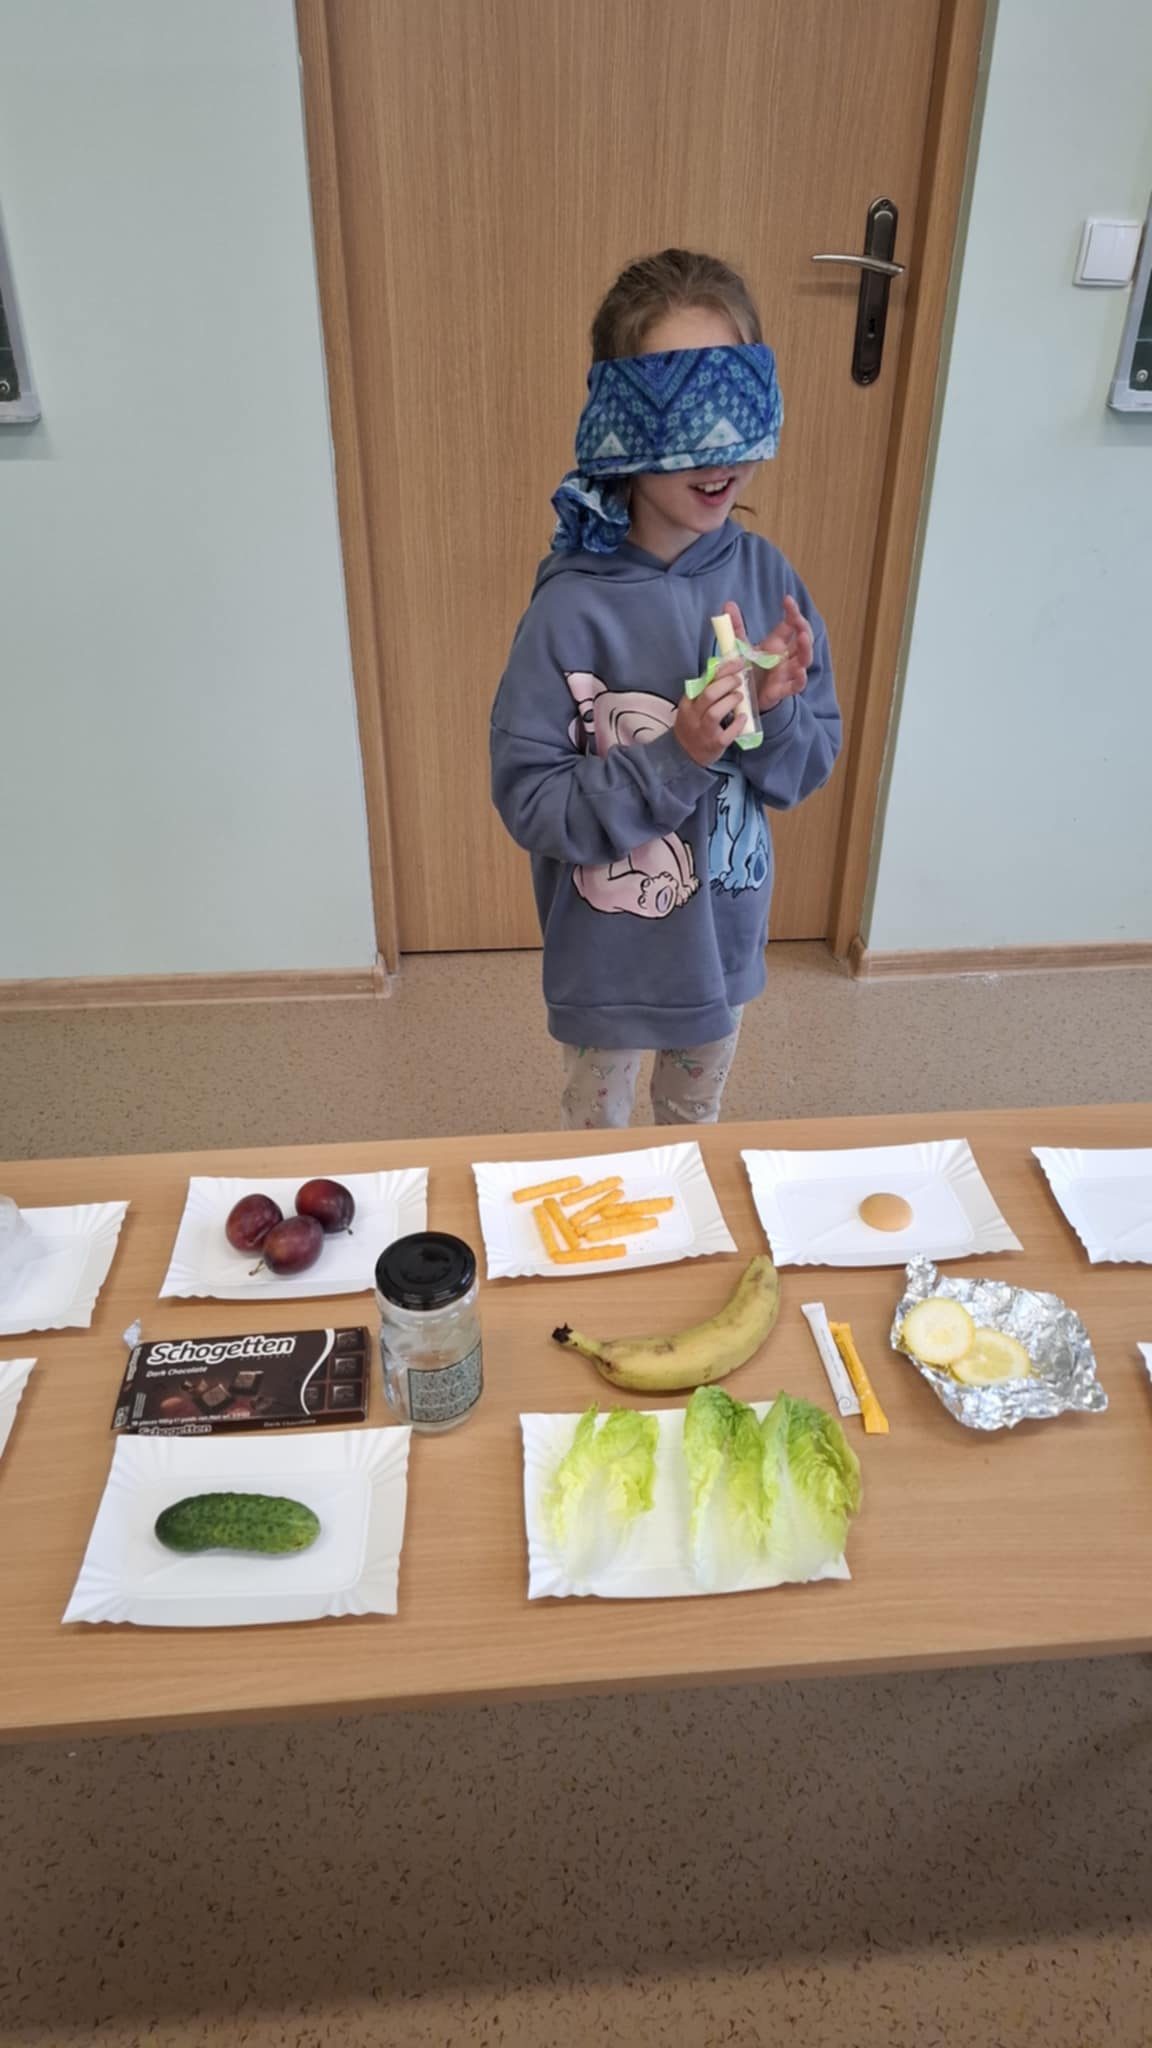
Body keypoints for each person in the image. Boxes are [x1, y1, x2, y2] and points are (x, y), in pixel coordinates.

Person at [490, 249, 841, 1130]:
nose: (719, 452)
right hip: (606, 965)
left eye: (732, 408)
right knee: (597, 1156)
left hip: (721, 951)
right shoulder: (571, 609)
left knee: (693, 1130)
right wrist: (674, 756)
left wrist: (772, 713)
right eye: (687, 414)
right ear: (623, 425)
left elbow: (805, 769)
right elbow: (531, 800)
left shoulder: (767, 579)